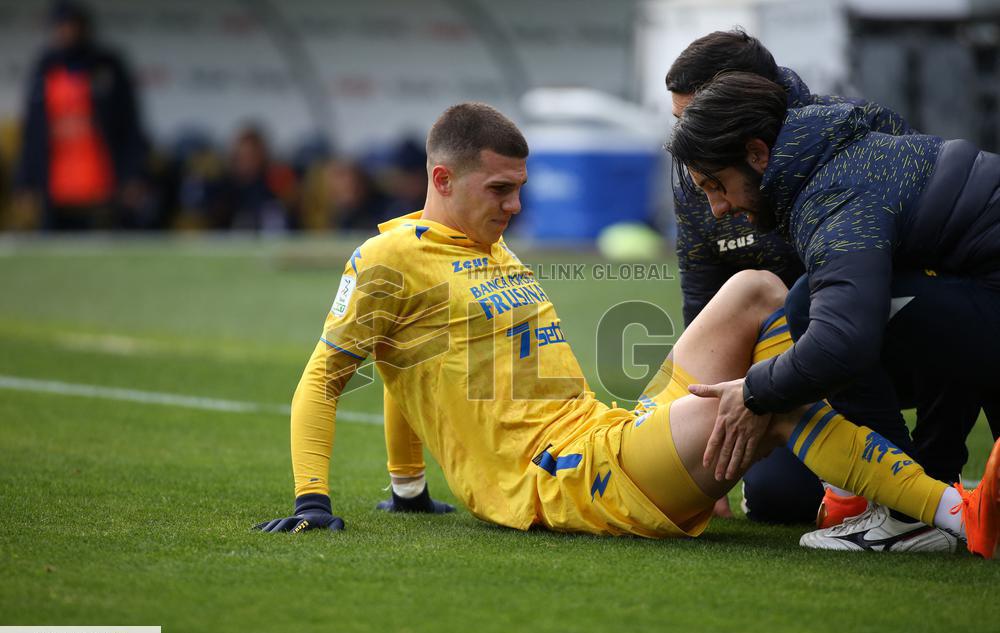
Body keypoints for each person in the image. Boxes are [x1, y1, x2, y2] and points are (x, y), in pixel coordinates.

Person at [254, 102, 1000, 558]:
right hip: (567, 479)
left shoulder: (488, 248)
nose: (516, 206)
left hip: (604, 433)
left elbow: (408, 365)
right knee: (766, 408)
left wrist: (409, 489)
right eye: (499, 190)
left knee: (757, 289)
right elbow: (330, 378)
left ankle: (863, 491)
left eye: (521, 188)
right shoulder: (388, 256)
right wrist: (313, 500)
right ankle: (950, 511)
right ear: (441, 180)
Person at [665, 30, 985, 535]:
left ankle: (909, 504)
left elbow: (917, 307)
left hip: (849, 354)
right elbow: (703, 307)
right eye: (680, 122)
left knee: (818, 306)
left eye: (697, 119)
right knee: (778, 499)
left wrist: (929, 471)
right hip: (804, 363)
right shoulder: (704, 173)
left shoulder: (850, 148)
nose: (714, 203)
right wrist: (702, 435)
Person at [14, 1, 148, 231]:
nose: (66, 32)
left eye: (71, 26)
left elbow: (129, 126)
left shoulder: (107, 65)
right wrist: (26, 182)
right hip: (55, 186)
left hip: (103, 183)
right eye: (60, 27)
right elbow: (32, 133)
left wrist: (133, 175)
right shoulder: (45, 67)